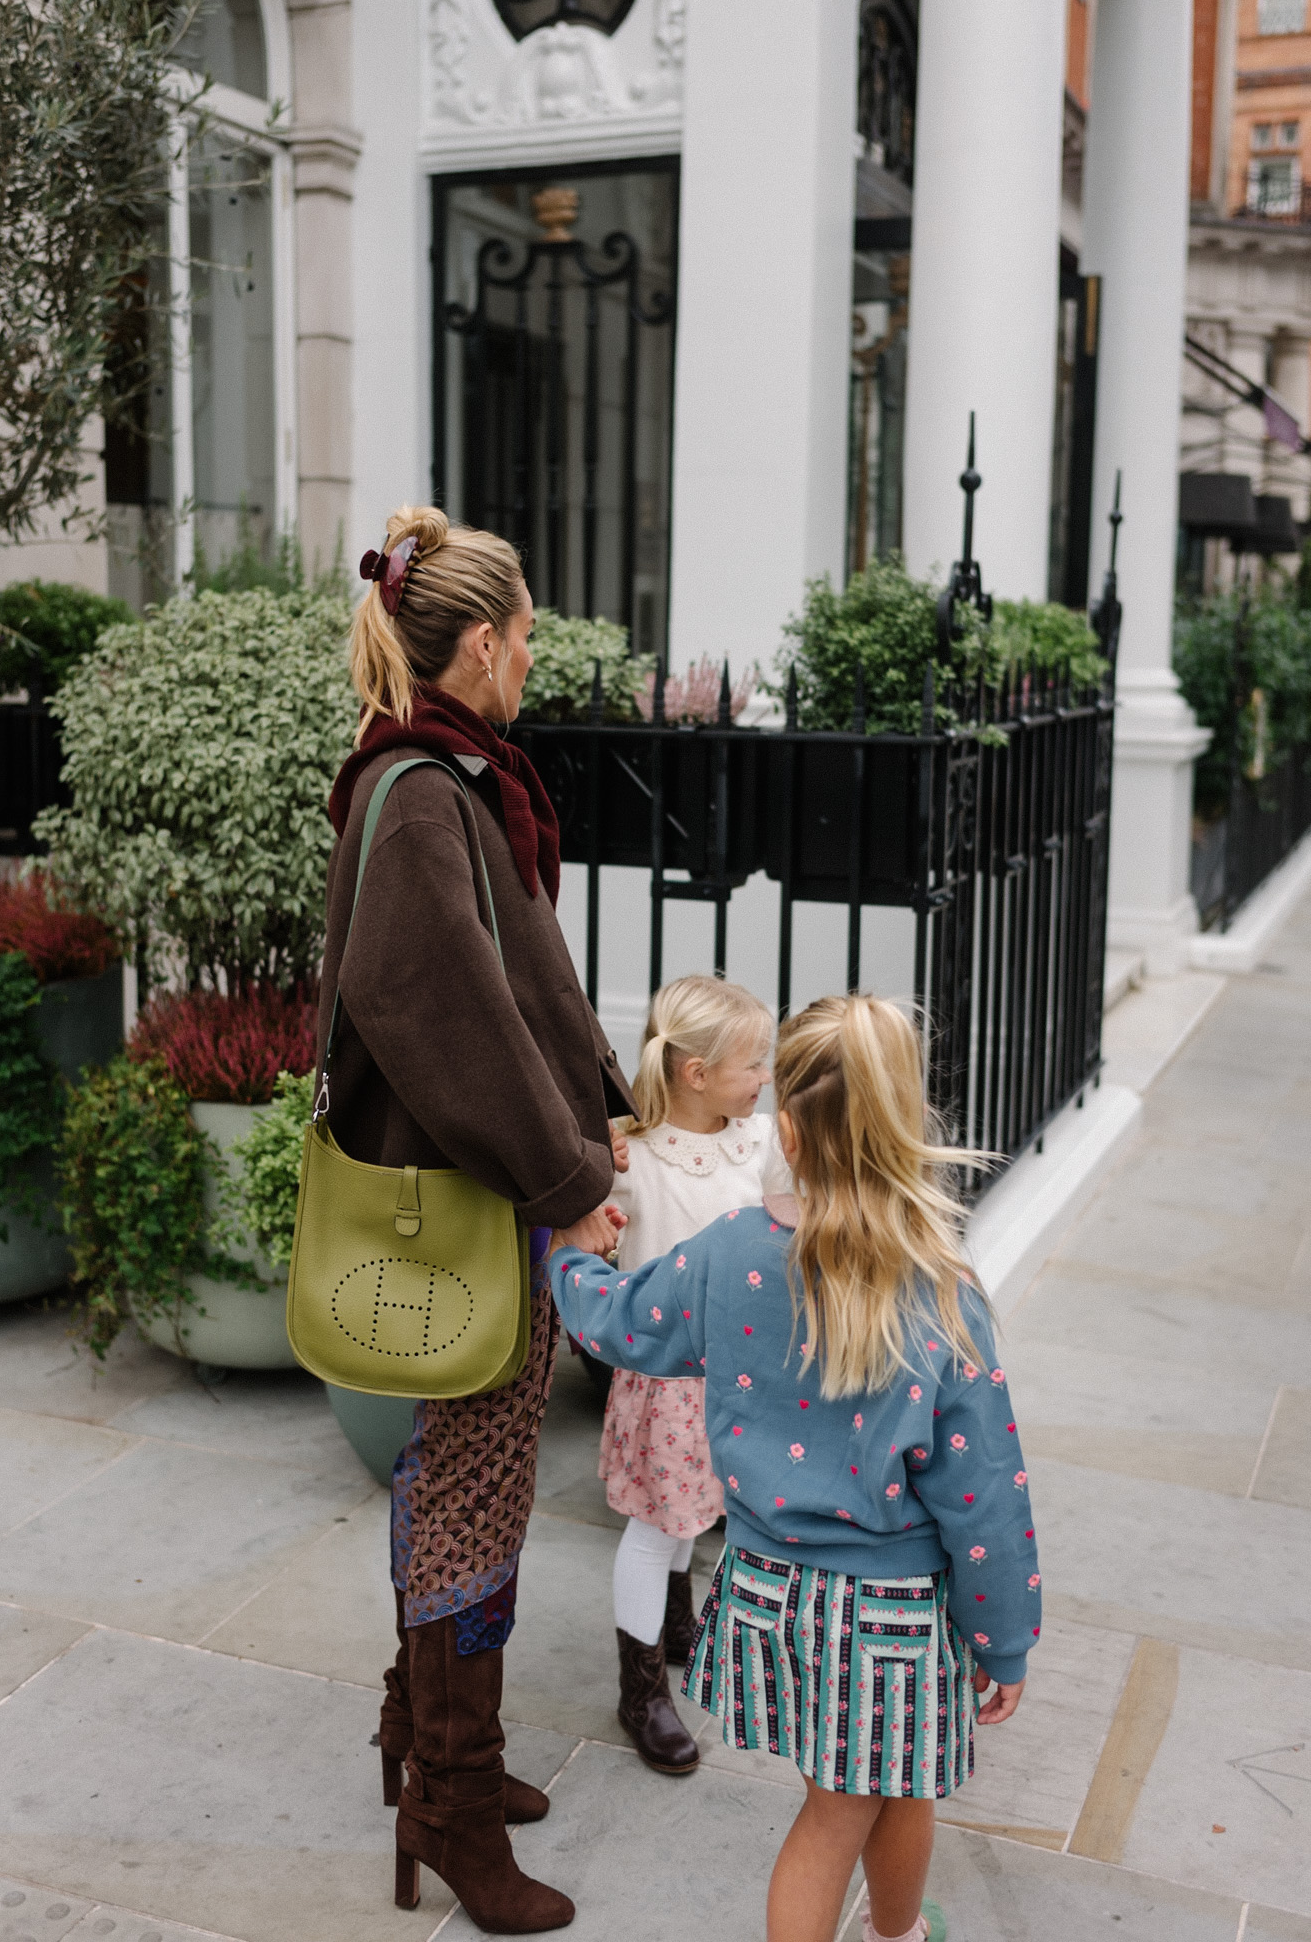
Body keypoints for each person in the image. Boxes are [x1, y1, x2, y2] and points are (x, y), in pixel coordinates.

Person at [550, 994, 1039, 1942]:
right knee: (838, 1817)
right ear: (906, 1123)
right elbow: (984, 1498)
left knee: (902, 1782)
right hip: (889, 1619)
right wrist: (1005, 1637)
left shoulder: (731, 1255)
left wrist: (573, 1256)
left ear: (788, 1127)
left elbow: (618, 1323)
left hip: (774, 1590)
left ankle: (897, 1932)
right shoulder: (939, 1292)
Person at [322, 505, 629, 1935]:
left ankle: (419, 1731)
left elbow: (524, 987)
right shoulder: (430, 792)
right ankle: (449, 1795)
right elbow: (436, 1007)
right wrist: (565, 1179)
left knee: (468, 1483)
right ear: (490, 643)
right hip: (467, 1207)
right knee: (471, 1498)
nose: (533, 660)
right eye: (528, 637)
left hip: (489, 1192)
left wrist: (605, 1112)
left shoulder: (451, 777)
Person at [599, 974, 782, 1775]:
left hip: (740, 1373)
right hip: (670, 1376)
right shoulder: (631, 1161)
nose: (765, 1076)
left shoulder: (763, 1139)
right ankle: (640, 1690)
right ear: (695, 1073)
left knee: (695, 1515)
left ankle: (678, 1624)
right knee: (660, 1525)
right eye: (753, 1064)